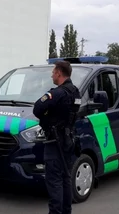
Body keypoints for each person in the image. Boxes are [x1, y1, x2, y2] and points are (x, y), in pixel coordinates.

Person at [33, 60, 81, 214]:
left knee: (54, 182)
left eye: (53, 72)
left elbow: (37, 108)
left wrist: (47, 114)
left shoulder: (57, 93)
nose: (52, 74)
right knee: (66, 179)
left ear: (59, 73)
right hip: (68, 141)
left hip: (55, 142)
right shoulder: (76, 92)